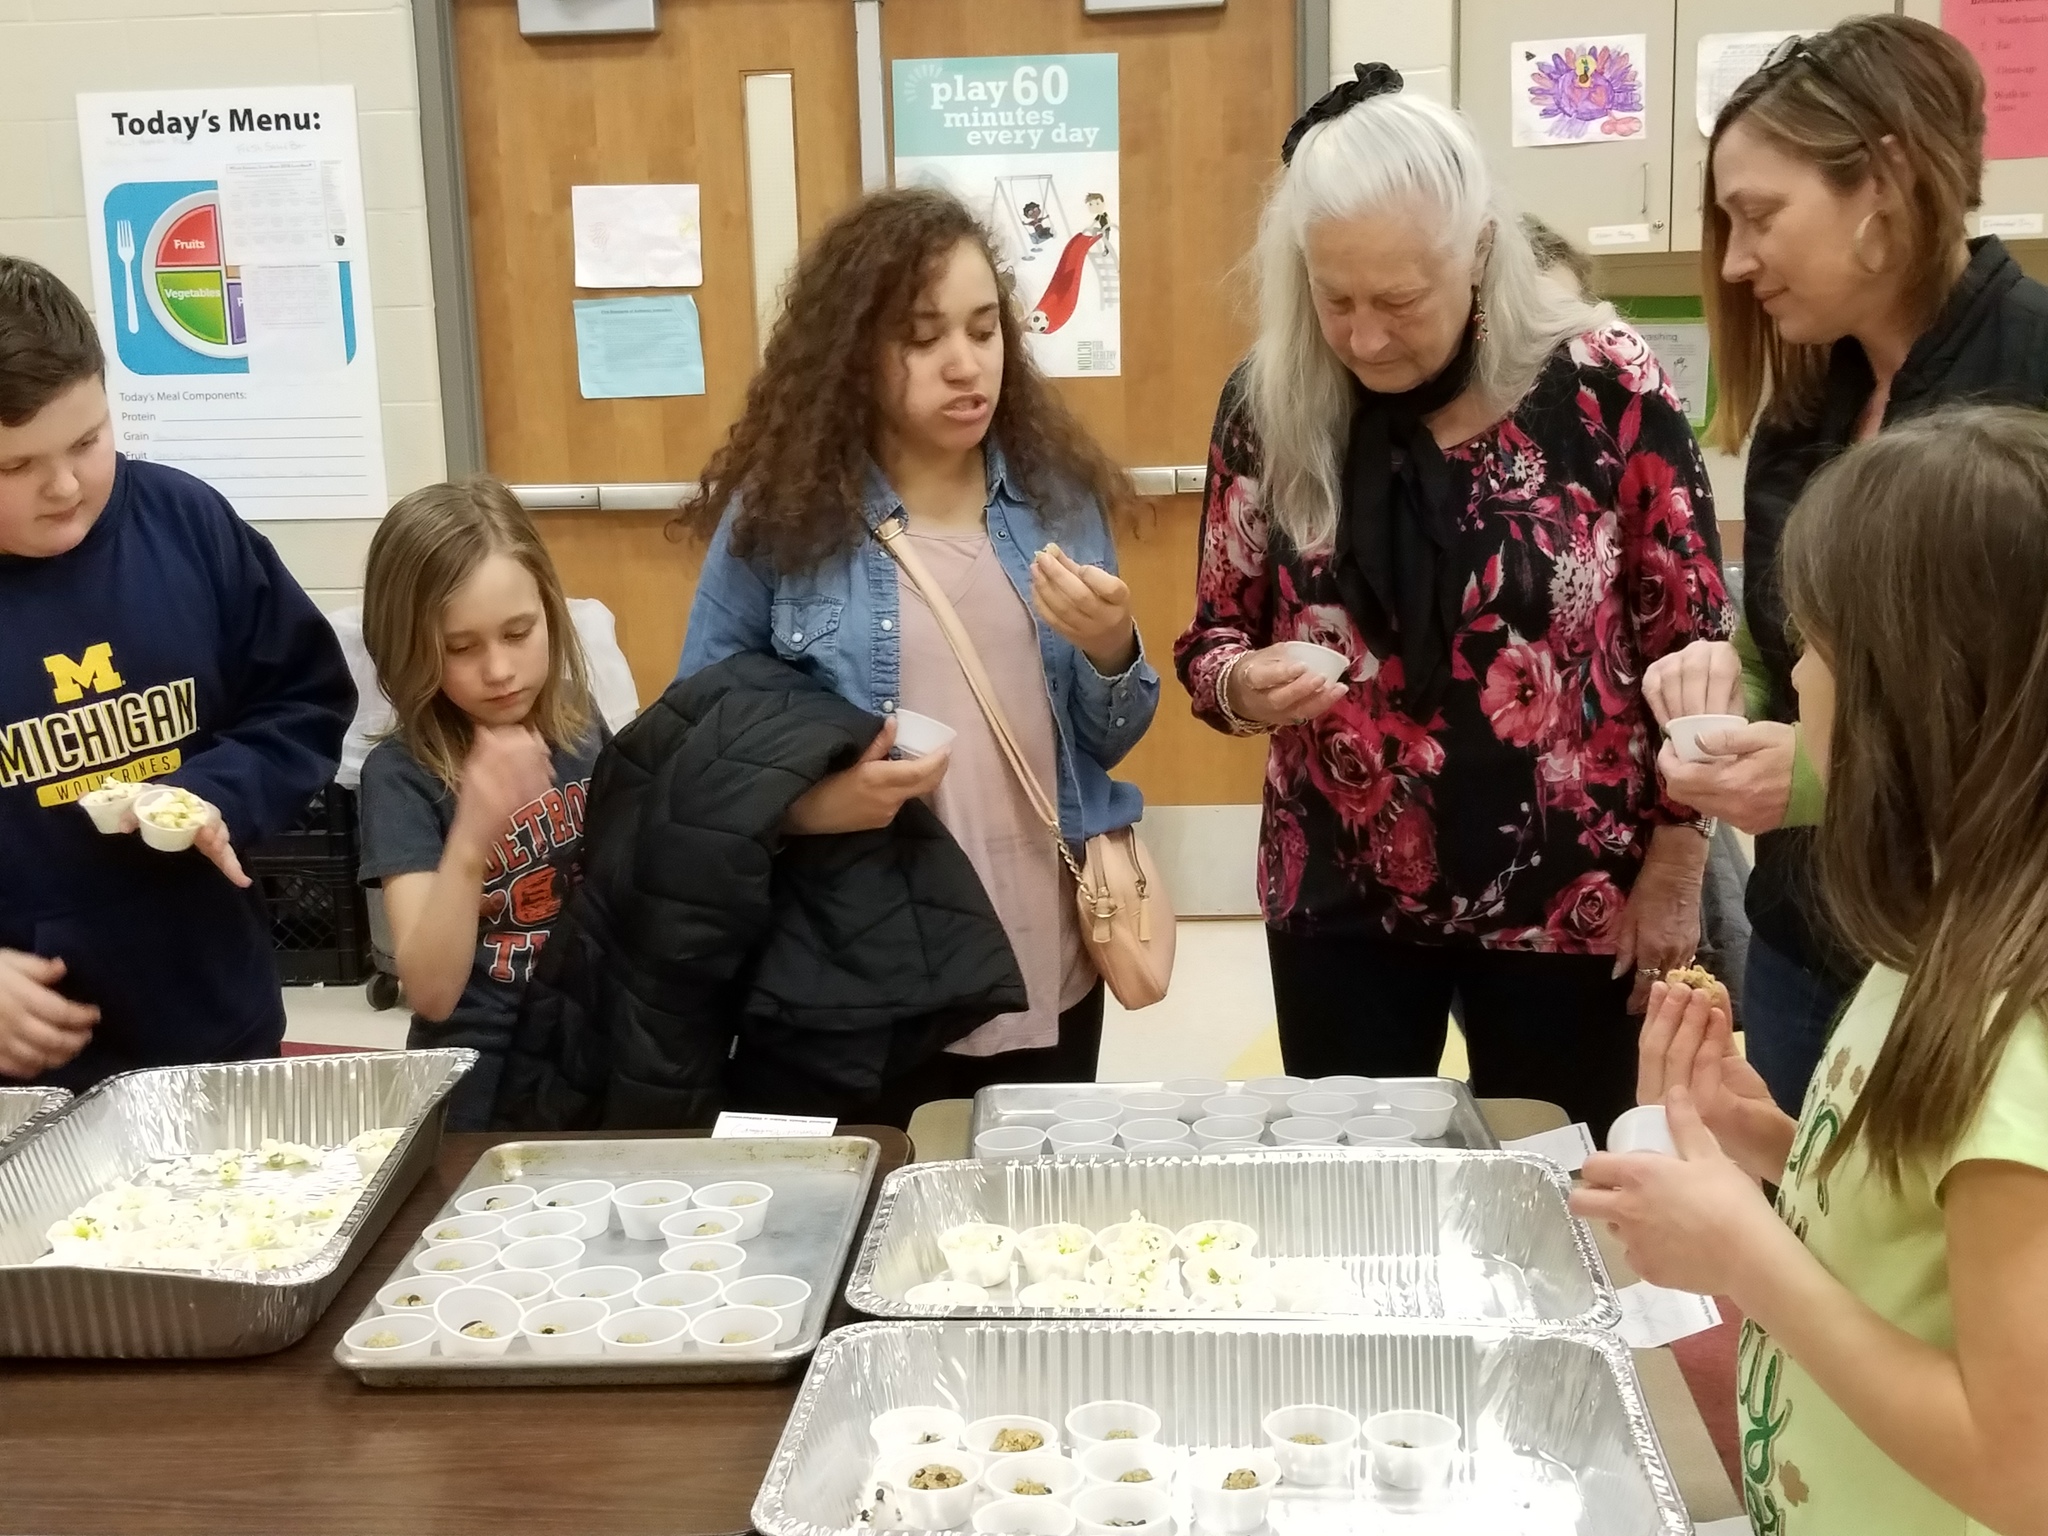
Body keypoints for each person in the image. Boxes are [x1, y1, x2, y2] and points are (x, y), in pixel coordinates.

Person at [1175, 65, 1733, 1139]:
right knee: (1354, 1198)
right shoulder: (1268, 402)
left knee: (1571, 1179)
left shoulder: (1603, 383)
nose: (1365, 337)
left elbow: (1690, 645)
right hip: (1338, 894)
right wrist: (1244, 684)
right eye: (1334, 299)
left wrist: (1676, 861)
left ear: (1478, 250)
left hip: (1573, 896)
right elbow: (1212, 640)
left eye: (1398, 301)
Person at [1575, 406, 2048, 1536]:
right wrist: (1778, 1153)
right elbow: (1924, 1238)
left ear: (1911, 697)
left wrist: (1738, 1249)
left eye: (1818, 647)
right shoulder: (1934, 942)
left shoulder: (2013, 1034)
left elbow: (2017, 1469)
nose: (1794, 672)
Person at [677, 185, 1158, 1122]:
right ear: (854, 351)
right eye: (922, 336)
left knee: (1025, 1229)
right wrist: (814, 806)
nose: (965, 364)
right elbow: (699, 748)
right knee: (868, 1224)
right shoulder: (781, 517)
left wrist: (1111, 650)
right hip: (861, 970)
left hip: (1043, 955)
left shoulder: (1058, 501)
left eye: (984, 331)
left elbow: (1112, 737)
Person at [1642, 14, 2048, 1113]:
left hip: (1982, 969)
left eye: (1758, 217)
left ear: (1881, 178)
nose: (1734, 262)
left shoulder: (2029, 382)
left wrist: (1825, 774)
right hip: (1802, 947)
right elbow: (1793, 642)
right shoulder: (1802, 415)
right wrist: (1729, 689)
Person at [0, 256, 354, 1087]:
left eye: (88, 441)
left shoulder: (186, 523)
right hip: (24, 1071)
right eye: (14, 466)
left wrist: (213, 791)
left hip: (210, 1021)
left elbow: (301, 701)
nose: (63, 485)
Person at [355, 477, 604, 1130]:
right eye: (460, 648)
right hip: (476, 1072)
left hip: (586, 1044)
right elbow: (433, 994)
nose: (499, 670)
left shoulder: (579, 721)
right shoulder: (401, 775)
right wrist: (471, 839)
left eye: (519, 633)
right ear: (408, 648)